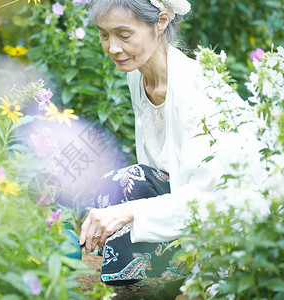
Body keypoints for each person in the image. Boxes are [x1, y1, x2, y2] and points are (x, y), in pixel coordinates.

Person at [78, 0, 230, 288]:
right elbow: (154, 171)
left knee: (124, 189)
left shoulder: (197, 90)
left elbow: (212, 201)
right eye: (103, 34)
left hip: (227, 223)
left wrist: (129, 212)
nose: (112, 48)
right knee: (119, 185)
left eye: (124, 35)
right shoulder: (138, 75)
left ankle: (193, 284)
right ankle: (135, 288)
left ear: (160, 22)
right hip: (178, 203)